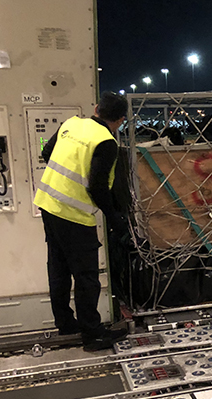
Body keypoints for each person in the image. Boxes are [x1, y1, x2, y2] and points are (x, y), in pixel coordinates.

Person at [33, 91, 129, 351]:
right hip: (73, 214)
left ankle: (65, 322)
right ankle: (93, 334)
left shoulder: (71, 123)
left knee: (59, 267)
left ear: (97, 108)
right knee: (86, 276)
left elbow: (46, 152)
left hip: (47, 204)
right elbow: (98, 187)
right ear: (120, 120)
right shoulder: (106, 142)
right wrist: (115, 218)